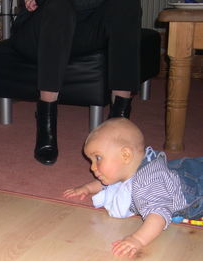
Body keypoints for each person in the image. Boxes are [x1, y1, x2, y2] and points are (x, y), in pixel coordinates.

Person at [10, 0, 141, 165]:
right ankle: (46, 126)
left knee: (127, 4)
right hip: (40, 27)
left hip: (82, 29)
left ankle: (119, 124)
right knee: (59, 6)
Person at [63, 118, 203, 258]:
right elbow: (111, 183)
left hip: (196, 192)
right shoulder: (128, 168)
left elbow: (158, 215)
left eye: (98, 158)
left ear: (125, 155)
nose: (92, 167)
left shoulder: (147, 183)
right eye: (92, 161)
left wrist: (137, 240)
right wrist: (87, 188)